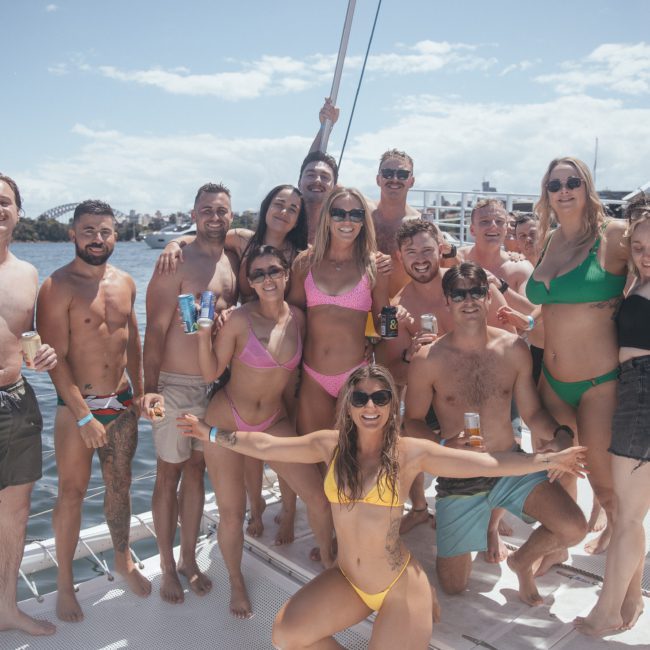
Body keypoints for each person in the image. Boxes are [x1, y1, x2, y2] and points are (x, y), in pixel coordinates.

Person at [178, 364, 588, 647]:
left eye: (380, 397)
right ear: (348, 405)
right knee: (286, 636)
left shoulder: (410, 452)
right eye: (360, 397)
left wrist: (547, 459)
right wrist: (210, 432)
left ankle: (419, 608)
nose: (370, 406)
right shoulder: (330, 444)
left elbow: (489, 462)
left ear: (394, 403)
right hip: (348, 581)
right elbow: (265, 442)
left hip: (396, 588)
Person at [404, 262, 588, 606]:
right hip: (461, 473)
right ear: (447, 301)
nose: (469, 300)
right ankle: (475, 529)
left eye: (476, 292)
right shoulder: (429, 358)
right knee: (454, 586)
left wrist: (561, 436)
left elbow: (532, 414)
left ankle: (521, 562)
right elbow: (411, 422)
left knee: (573, 528)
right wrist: (441, 445)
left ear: (488, 297)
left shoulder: (513, 349)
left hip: (509, 465)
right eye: (459, 294)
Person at [194, 244, 334, 618]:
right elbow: (210, 373)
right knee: (231, 512)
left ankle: (332, 567)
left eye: (273, 270)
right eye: (257, 274)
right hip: (226, 417)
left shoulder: (300, 319)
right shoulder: (239, 319)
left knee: (318, 499)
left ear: (287, 274)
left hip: (273, 421)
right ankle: (237, 584)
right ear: (250, 282)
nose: (267, 279)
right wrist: (202, 328)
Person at [36, 199, 150, 622]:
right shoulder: (56, 286)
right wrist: (83, 415)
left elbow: (132, 342)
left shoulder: (125, 282)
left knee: (120, 487)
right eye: (88, 231)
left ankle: (123, 560)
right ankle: (65, 584)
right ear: (72, 234)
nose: (97, 239)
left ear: (115, 235)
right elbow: (55, 359)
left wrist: (141, 394)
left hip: (120, 404)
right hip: (77, 408)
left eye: (105, 231)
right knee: (70, 494)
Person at [374, 220, 511, 536]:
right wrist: (412, 356)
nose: (420, 258)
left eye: (426, 249)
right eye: (411, 252)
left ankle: (492, 519)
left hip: (482, 388)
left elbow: (511, 336)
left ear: (441, 249)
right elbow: (386, 366)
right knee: (405, 444)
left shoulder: (470, 287)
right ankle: (420, 508)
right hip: (433, 397)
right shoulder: (397, 309)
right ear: (400, 256)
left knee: (498, 444)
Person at [525, 156, 628, 556]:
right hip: (550, 383)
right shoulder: (549, 239)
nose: (564, 191)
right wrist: (526, 318)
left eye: (572, 182)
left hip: (597, 383)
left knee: (606, 487)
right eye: (555, 185)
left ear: (587, 188)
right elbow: (555, 304)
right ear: (546, 194)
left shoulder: (614, 236)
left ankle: (624, 593)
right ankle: (558, 549)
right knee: (559, 477)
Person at [142, 182, 238, 604]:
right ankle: (165, 564)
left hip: (215, 383)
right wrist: (149, 390)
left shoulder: (232, 260)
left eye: (222, 210)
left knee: (198, 472)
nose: (214, 217)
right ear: (194, 213)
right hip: (176, 383)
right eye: (206, 210)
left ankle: (187, 558)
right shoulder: (175, 260)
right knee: (169, 473)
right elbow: (155, 331)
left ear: (231, 216)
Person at [574, 194, 650, 636]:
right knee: (631, 513)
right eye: (638, 247)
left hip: (643, 392)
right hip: (634, 390)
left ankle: (607, 611)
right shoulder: (636, 285)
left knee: (627, 516)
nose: (644, 255)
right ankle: (631, 596)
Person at [0, 174, 57, 637]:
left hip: (18, 401)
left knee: (15, 512)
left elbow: (28, 343)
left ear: (19, 212)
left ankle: (6, 607)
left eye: (4, 202)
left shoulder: (29, 274)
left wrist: (44, 357)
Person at [288, 187, 389, 434]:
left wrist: (394, 322)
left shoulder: (374, 266)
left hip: (356, 378)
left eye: (356, 214)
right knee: (316, 460)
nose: (347, 221)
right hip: (312, 377)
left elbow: (384, 321)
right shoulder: (305, 262)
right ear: (327, 217)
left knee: (352, 462)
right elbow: (291, 316)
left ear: (364, 222)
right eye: (339, 213)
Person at [370, 149, 423, 296]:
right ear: (378, 179)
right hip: (361, 309)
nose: (394, 179)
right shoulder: (362, 213)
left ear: (411, 181)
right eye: (387, 173)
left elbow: (443, 268)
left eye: (402, 174)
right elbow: (323, 179)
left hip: (401, 310)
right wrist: (326, 128)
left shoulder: (420, 225)